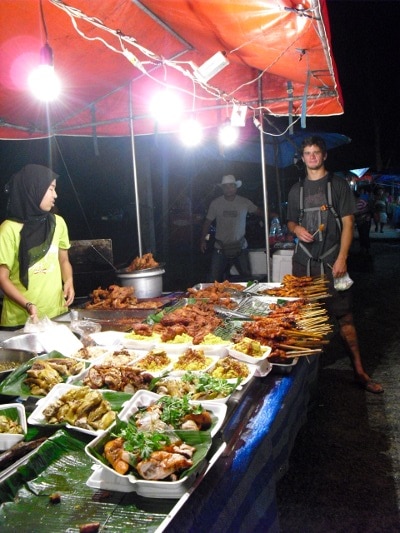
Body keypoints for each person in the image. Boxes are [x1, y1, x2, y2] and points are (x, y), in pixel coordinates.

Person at [286, 136, 383, 394]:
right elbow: (290, 221)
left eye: (316, 153)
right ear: (303, 158)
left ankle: (360, 372)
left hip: (332, 262)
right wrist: (297, 230)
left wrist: (342, 257)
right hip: (303, 263)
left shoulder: (338, 185)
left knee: (345, 316)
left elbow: (349, 224)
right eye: (307, 153)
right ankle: (305, 381)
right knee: (305, 318)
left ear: (324, 155)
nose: (312, 157)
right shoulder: (297, 190)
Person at [0, 164, 75, 326]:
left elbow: (63, 260)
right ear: (33, 189)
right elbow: (2, 278)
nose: (55, 195)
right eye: (50, 189)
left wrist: (68, 280)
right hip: (19, 322)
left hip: (56, 316)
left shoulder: (58, 223)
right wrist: (27, 304)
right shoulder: (8, 229)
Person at [200, 174, 263, 282]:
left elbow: (260, 212)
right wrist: (203, 240)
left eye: (231, 186)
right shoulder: (216, 203)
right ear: (222, 188)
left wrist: (273, 215)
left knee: (248, 279)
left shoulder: (245, 202)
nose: (228, 189)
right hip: (220, 248)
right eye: (226, 186)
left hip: (240, 247)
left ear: (235, 187)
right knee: (213, 279)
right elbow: (207, 223)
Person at [354, 189, 373, 255]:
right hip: (361, 221)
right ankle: (364, 249)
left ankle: (366, 249)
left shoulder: (360, 201)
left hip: (365, 220)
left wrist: (360, 214)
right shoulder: (355, 202)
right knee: (362, 235)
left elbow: (368, 209)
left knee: (364, 235)